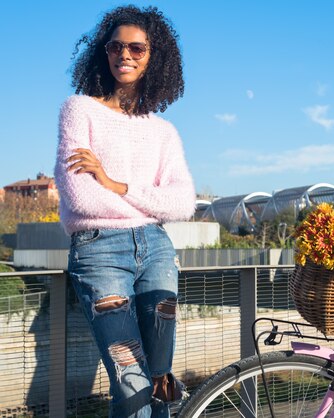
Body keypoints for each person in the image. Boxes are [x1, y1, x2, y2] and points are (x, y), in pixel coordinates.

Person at [54, 5, 196, 417]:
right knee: (131, 382)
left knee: (160, 382)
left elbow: (183, 202)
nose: (125, 55)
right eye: (116, 46)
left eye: (137, 47)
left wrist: (115, 184)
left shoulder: (163, 131)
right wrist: (144, 200)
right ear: (104, 52)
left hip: (157, 251)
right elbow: (79, 197)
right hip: (99, 250)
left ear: (155, 56)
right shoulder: (79, 110)